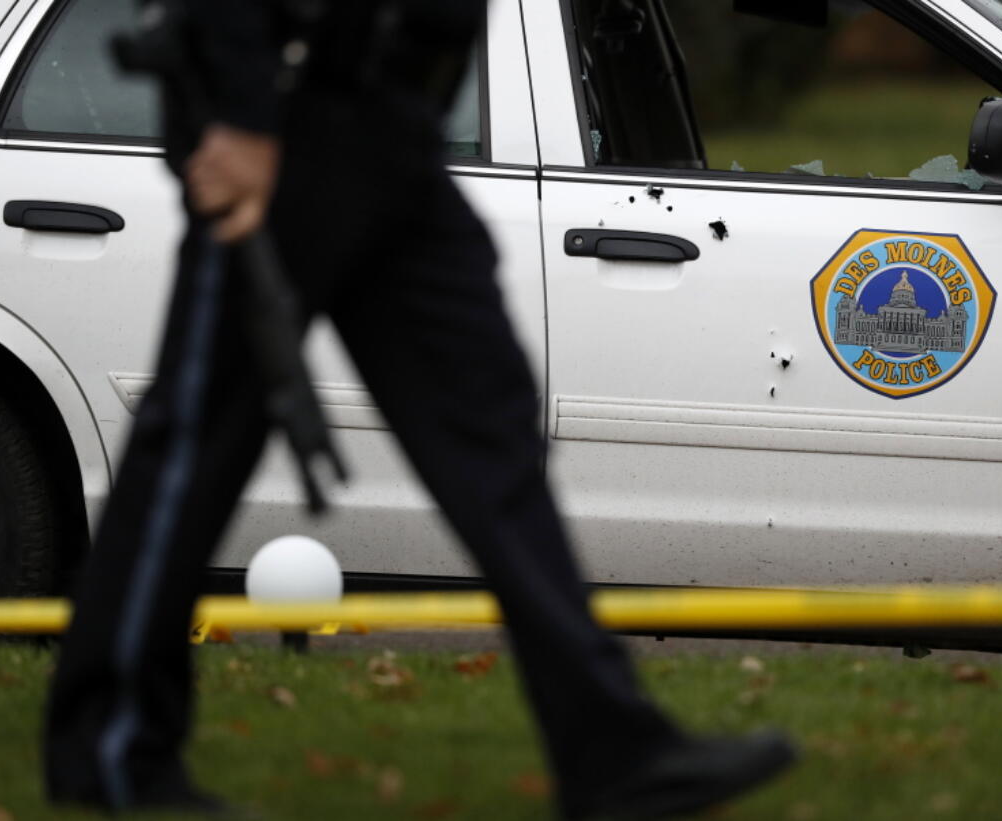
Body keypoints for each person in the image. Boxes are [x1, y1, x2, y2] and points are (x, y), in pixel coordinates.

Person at [42, 1, 797, 818]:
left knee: (493, 436)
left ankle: (614, 752)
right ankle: (110, 746)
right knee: (198, 440)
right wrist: (244, 113)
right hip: (291, 113)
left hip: (392, 125)